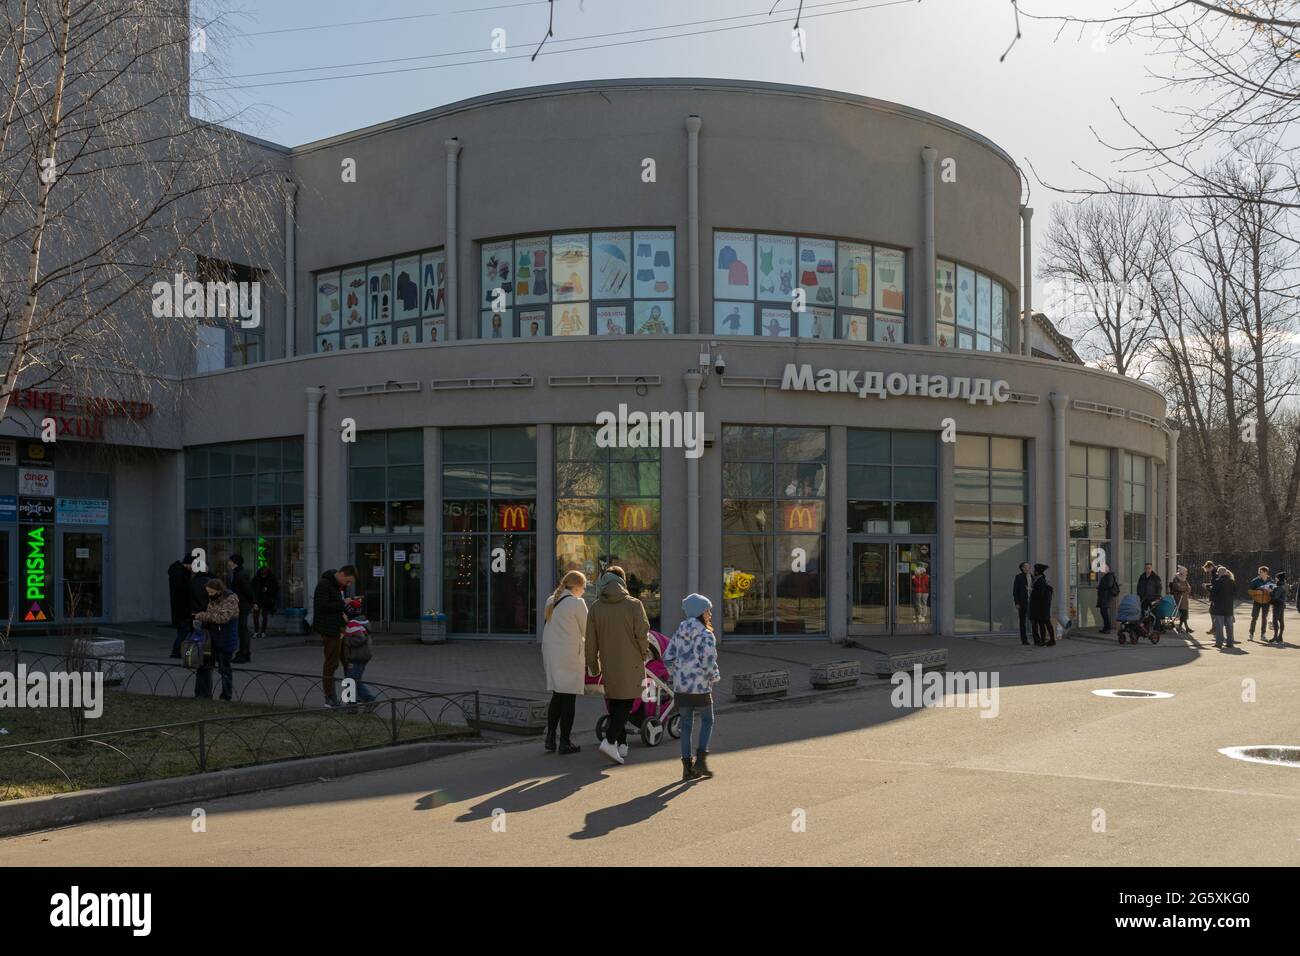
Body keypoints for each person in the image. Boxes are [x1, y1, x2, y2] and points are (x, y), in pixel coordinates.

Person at [585, 566, 650, 766]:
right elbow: (642, 634)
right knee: (627, 703)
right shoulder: (634, 604)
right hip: (631, 662)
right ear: (622, 581)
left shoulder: (596, 607)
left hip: (608, 661)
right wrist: (644, 653)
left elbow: (590, 641)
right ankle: (611, 740)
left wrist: (593, 666)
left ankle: (621, 745)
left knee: (614, 702)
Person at [663, 593, 721, 781]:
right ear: (700, 613)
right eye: (707, 610)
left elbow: (667, 656)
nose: (710, 614)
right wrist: (714, 677)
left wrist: (677, 672)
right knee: (707, 720)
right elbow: (709, 661)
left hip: (681, 687)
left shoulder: (679, 631)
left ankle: (687, 767)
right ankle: (701, 761)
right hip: (700, 686)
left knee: (686, 725)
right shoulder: (706, 634)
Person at [540, 570, 588, 755]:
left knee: (557, 696)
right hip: (569, 656)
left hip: (552, 654)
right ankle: (565, 741)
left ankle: (550, 737)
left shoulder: (551, 600)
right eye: (583, 587)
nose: (584, 591)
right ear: (575, 586)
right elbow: (587, 629)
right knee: (569, 698)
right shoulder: (577, 603)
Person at [312, 565, 357, 707]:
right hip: (330, 630)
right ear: (342, 574)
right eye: (348, 581)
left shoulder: (336, 586)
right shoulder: (324, 585)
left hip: (339, 628)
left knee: (348, 662)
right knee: (331, 664)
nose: (348, 585)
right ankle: (330, 698)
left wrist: (344, 612)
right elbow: (322, 607)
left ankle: (350, 699)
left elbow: (334, 606)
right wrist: (342, 604)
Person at [193, 578, 239, 701]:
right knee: (205, 666)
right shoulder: (213, 600)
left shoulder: (230, 599)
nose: (209, 595)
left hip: (226, 639)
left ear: (219, 590)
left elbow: (222, 618)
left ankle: (226, 696)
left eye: (211, 592)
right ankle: (203, 694)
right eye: (208, 592)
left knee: (224, 670)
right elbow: (211, 615)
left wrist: (202, 615)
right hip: (213, 639)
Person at [227, 554, 256, 663]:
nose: (228, 563)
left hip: (241, 606)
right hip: (240, 605)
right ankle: (243, 653)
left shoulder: (240, 574)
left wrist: (253, 602)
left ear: (234, 562)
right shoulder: (238, 573)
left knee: (242, 629)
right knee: (241, 629)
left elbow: (247, 590)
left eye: (230, 561)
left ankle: (244, 654)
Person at [167, 554, 194, 658]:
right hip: (183, 608)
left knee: (182, 631)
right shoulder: (180, 573)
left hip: (180, 608)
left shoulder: (177, 571)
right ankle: (176, 651)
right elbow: (183, 590)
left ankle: (177, 651)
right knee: (184, 631)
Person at [1210, 566, 1237, 649]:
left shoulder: (1217, 581)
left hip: (1219, 606)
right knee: (1229, 626)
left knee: (1219, 626)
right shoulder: (1232, 582)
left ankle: (1219, 643)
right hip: (1229, 607)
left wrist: (1212, 599)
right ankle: (1230, 642)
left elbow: (1214, 594)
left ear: (1219, 573)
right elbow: (1235, 594)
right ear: (1225, 572)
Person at [1029, 563, 1055, 647]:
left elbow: (1040, 594)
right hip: (1042, 606)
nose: (1033, 571)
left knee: (1045, 623)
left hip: (1042, 606)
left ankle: (1051, 640)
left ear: (1037, 571)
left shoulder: (1040, 580)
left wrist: (1031, 591)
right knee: (1043, 623)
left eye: (1035, 570)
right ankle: (1045, 640)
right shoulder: (1040, 579)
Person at [252, 565, 279, 640]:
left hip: (266, 600)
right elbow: (252, 589)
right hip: (258, 599)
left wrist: (268, 590)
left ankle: (262, 631)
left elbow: (275, 589)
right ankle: (257, 632)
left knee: (264, 616)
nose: (263, 575)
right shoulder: (256, 579)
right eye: (262, 574)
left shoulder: (271, 579)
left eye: (265, 574)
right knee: (256, 616)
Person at [1247, 566, 1273, 640]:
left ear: (1265, 572)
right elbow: (1249, 591)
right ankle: (1251, 634)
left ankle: (1263, 635)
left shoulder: (1271, 581)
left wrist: (1271, 591)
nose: (1259, 573)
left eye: (1260, 572)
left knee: (1264, 618)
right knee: (1254, 618)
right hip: (1257, 602)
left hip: (1266, 602)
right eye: (1259, 572)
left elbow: (1274, 591)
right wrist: (1256, 592)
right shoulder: (1255, 581)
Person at [1096, 564, 1119, 634]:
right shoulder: (1106, 576)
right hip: (1104, 597)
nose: (1102, 571)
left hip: (1106, 597)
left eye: (1102, 570)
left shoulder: (1109, 576)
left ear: (1106, 569)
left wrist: (1100, 587)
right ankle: (1105, 627)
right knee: (1103, 612)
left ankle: (1107, 628)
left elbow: (1109, 585)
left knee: (1104, 613)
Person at [1168, 565, 1191, 634]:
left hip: (1184, 597)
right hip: (1179, 597)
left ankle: (1185, 627)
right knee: (1183, 612)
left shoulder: (1184, 578)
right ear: (1182, 572)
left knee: (1185, 612)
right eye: (1186, 572)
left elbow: (1189, 588)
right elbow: (1178, 587)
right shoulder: (1176, 578)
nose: (1187, 573)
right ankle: (1182, 627)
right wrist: (1185, 589)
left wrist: (1185, 589)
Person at [1012, 562, 1030, 645]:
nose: (1028, 567)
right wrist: (1017, 603)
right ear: (1022, 568)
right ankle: (1024, 639)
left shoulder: (1031, 576)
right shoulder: (1018, 577)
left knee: (1034, 620)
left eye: (1028, 565)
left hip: (1031, 602)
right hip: (1022, 602)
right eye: (1026, 566)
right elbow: (1015, 591)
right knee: (1022, 622)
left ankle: (1037, 638)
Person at [1267, 571, 1288, 644]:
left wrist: (1270, 591)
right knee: (1281, 621)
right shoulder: (1283, 585)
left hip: (1277, 605)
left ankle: (1276, 637)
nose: (1275, 579)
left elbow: (1275, 597)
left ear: (1278, 578)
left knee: (1275, 621)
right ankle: (1280, 636)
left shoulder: (1280, 586)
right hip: (1281, 605)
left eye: (1276, 577)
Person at [1202, 560, 1218, 634]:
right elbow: (1214, 584)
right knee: (1213, 612)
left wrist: (1206, 587)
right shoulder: (1216, 572)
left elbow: (1214, 586)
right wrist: (1208, 585)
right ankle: (1215, 628)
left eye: (1207, 569)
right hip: (1216, 597)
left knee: (1213, 612)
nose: (1207, 571)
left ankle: (1215, 628)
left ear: (1210, 566)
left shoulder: (1215, 574)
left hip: (1215, 597)